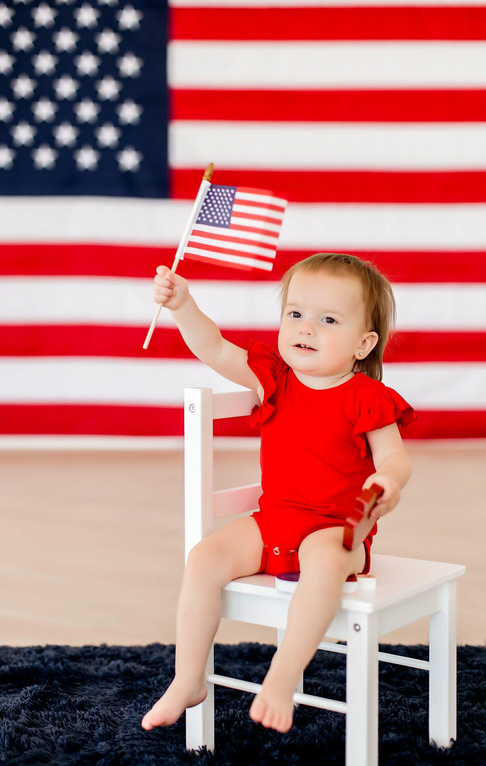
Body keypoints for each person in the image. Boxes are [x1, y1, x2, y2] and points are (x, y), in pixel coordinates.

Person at [141, 252, 417, 735]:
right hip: (274, 521)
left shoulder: (368, 398)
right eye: (295, 314)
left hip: (337, 529)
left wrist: (387, 481)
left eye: (328, 319)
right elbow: (216, 348)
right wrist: (183, 306)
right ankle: (188, 678)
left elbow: (394, 457)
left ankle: (282, 677)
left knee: (325, 559)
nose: (306, 328)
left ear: (363, 343)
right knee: (204, 557)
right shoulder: (275, 377)